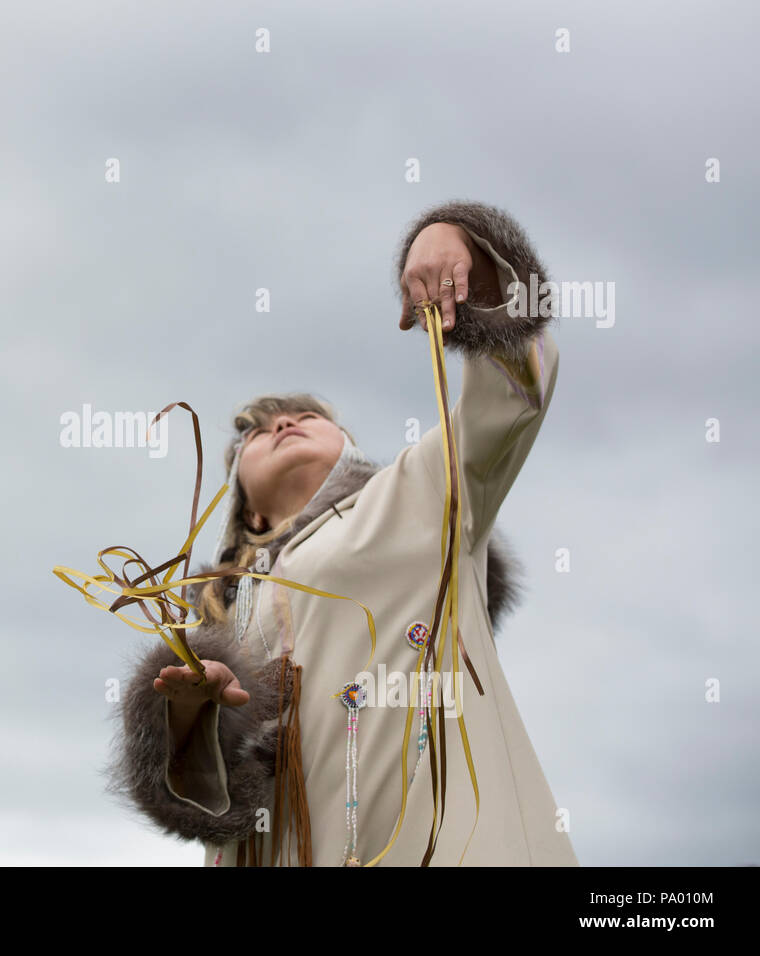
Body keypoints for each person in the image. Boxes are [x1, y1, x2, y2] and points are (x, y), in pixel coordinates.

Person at [106, 200, 579, 866]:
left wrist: (455, 244)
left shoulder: (424, 496)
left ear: (347, 448)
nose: (281, 424)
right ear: (250, 510)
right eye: (256, 431)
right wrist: (190, 713)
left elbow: (515, 386)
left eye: (305, 415)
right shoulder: (222, 615)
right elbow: (206, 803)